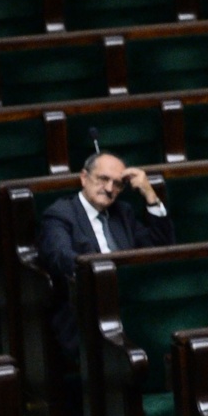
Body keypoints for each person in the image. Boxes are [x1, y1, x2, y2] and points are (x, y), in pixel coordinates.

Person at [34, 151, 175, 377]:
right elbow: (60, 258)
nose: (109, 189)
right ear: (84, 178)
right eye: (103, 179)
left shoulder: (123, 212)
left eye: (118, 184)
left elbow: (162, 248)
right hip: (87, 307)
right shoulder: (61, 214)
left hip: (131, 302)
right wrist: (105, 278)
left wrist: (150, 195)